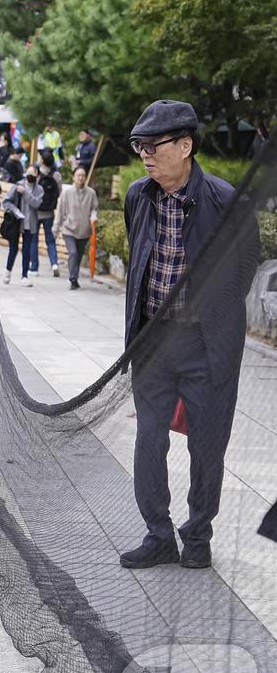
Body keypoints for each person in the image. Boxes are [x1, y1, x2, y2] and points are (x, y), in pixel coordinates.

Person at [120, 100, 259, 569]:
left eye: (154, 146)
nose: (145, 154)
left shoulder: (225, 202)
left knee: (206, 444)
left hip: (206, 346)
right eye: (140, 146)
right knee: (148, 440)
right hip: (153, 345)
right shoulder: (139, 196)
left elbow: (244, 269)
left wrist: (210, 314)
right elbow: (139, 261)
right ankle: (158, 535)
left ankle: (197, 536)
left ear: (186, 145)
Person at [1, 166, 44, 287]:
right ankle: (8, 272)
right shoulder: (17, 186)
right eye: (28, 172)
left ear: (37, 175)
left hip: (30, 224)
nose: (30, 175)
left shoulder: (39, 189)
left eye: (33, 173)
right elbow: (6, 201)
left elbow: (36, 203)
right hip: (16, 223)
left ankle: (24, 276)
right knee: (13, 249)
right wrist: (15, 210)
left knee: (26, 250)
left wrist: (24, 192)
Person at [57, 165, 98, 290]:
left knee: (79, 255)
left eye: (83, 175)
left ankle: (75, 276)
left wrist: (93, 217)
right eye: (78, 175)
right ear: (73, 177)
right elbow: (60, 211)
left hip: (85, 231)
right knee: (73, 253)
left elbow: (94, 209)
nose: (81, 178)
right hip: (69, 229)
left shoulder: (91, 193)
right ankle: (73, 279)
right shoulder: (66, 193)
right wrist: (55, 228)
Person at [32, 151, 61, 277]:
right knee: (50, 240)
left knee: (34, 240)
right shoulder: (56, 175)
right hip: (49, 213)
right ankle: (54, 263)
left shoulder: (35, 173)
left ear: (42, 161)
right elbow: (59, 192)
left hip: (35, 212)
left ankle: (34, 267)